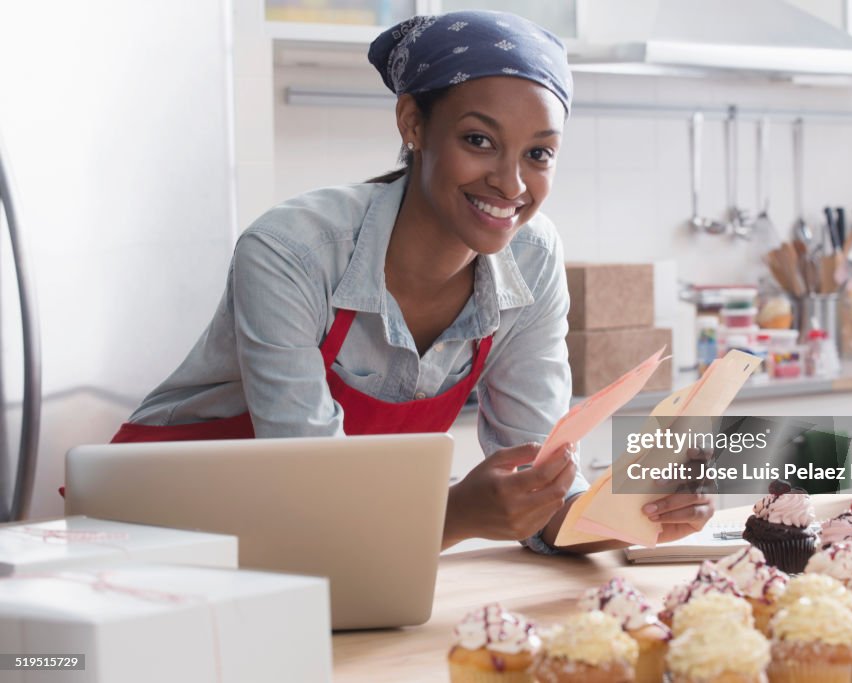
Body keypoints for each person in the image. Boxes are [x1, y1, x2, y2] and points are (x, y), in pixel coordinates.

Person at [110, 10, 713, 554]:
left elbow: (539, 476)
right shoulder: (291, 251)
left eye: (539, 154)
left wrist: (629, 515)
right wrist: (457, 514)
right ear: (413, 124)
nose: (511, 183)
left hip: (325, 545)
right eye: (479, 141)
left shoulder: (532, 256)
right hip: (161, 530)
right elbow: (310, 488)